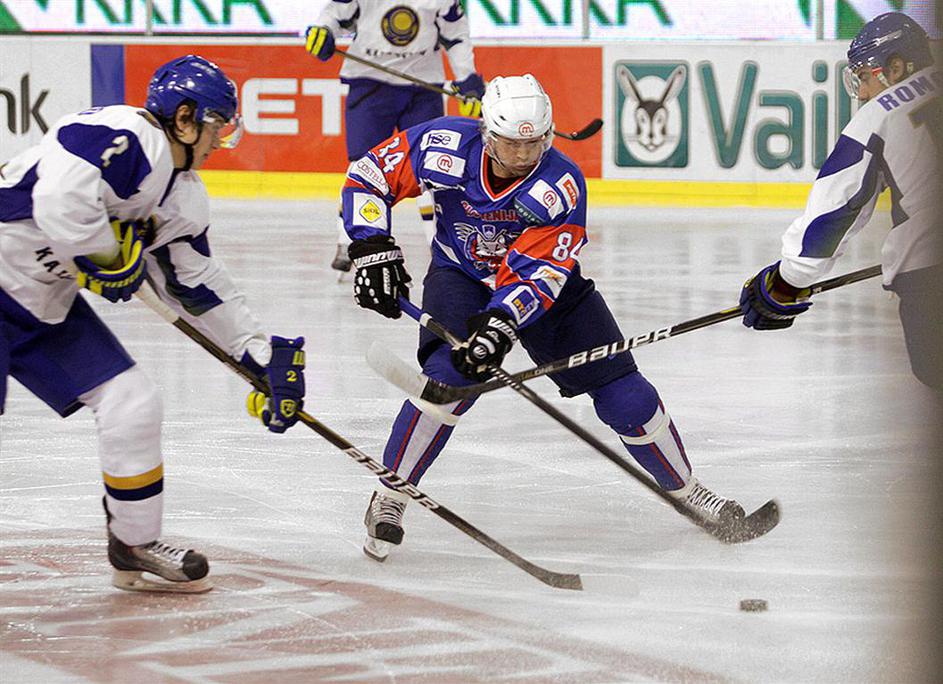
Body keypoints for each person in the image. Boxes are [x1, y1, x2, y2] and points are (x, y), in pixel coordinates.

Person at [338, 73, 746, 561]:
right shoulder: (442, 142)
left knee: (626, 396)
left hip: (545, 289)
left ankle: (687, 490)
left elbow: (541, 273)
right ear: (487, 134)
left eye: (534, 145)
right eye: (511, 145)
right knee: (445, 386)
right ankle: (392, 494)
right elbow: (370, 175)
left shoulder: (561, 182)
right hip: (460, 276)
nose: (523, 157)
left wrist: (500, 324)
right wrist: (372, 246)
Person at [0, 55, 307, 592]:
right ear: (185, 118)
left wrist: (257, 355)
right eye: (215, 127)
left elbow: (195, 283)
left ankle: (134, 542)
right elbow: (57, 199)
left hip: (42, 304)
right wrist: (101, 254)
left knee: (132, 401)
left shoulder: (181, 194)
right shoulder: (126, 134)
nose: (218, 142)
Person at [740, 12, 942, 391]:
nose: (862, 92)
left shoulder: (879, 116)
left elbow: (834, 214)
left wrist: (787, 281)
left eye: (865, 77)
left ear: (895, 67)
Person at [304, 0, 485, 273]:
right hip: (369, 83)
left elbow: (456, 32)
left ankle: (443, 243)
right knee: (362, 165)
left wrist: (467, 78)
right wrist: (324, 31)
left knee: (435, 166)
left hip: (423, 88)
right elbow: (335, 13)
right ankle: (347, 238)